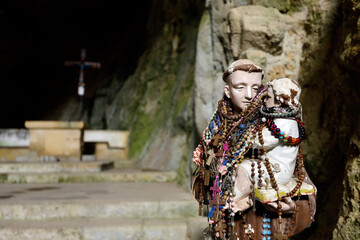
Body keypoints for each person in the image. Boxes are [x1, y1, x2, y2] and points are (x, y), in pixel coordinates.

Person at [191, 60, 316, 240]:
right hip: (230, 225)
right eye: (240, 87)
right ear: (228, 91)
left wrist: (293, 208)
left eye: (256, 88)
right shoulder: (216, 131)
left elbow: (299, 179)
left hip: (266, 226)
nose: (249, 95)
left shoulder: (274, 124)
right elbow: (205, 181)